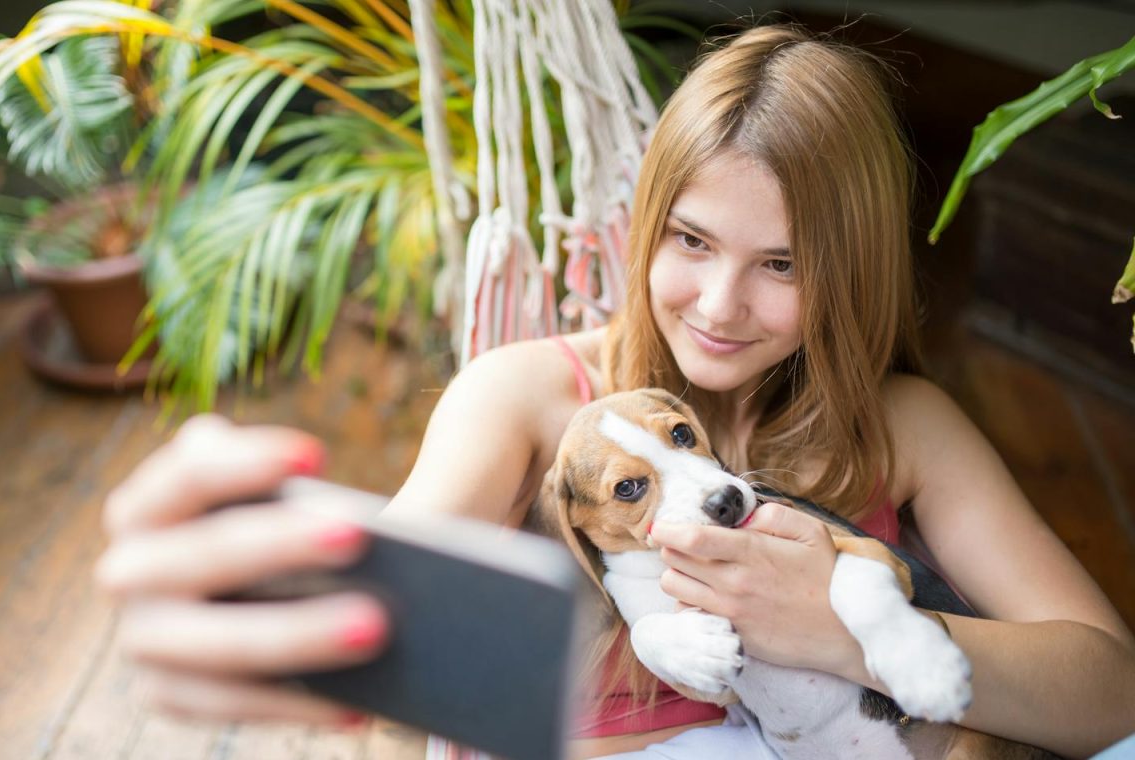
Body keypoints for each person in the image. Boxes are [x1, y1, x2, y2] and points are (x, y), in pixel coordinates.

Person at [94, 23, 1135, 759]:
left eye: (781, 263)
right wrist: (247, 590)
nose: (718, 304)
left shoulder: (899, 422)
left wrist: (827, 619)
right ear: (643, 227)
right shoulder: (528, 400)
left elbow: (1107, 689)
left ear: (851, 273)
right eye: (689, 241)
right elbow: (378, 594)